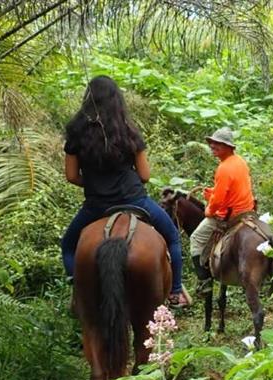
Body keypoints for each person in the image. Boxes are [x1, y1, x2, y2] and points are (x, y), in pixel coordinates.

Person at [61, 75, 189, 307]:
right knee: (172, 237)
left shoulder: (76, 133)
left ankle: (78, 287)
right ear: (116, 100)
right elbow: (145, 176)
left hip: (96, 206)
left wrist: (94, 184)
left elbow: (71, 176)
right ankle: (176, 291)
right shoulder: (128, 130)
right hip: (135, 200)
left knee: (68, 245)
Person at [190, 127, 255, 290]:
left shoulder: (224, 168)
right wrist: (212, 192)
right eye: (212, 143)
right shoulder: (240, 161)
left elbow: (217, 203)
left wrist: (208, 211)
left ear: (228, 147)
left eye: (218, 143)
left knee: (195, 239)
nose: (212, 146)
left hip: (230, 216)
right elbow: (231, 189)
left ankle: (204, 282)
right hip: (247, 212)